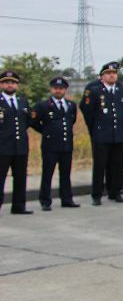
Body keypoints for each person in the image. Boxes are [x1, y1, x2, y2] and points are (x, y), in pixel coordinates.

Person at [81, 61, 123, 204]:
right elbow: (87, 111)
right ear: (102, 76)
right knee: (100, 165)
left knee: (118, 164)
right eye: (108, 74)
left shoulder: (121, 90)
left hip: (118, 134)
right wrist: (96, 128)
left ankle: (115, 192)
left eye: (114, 73)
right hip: (101, 134)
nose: (112, 76)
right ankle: (97, 195)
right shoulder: (95, 90)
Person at [30, 76, 80, 210]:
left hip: (66, 145)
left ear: (65, 90)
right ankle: (45, 200)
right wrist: (46, 132)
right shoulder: (43, 105)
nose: (58, 91)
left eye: (61, 88)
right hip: (50, 146)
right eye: (56, 88)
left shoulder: (71, 105)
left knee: (65, 174)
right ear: (51, 89)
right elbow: (34, 122)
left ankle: (67, 199)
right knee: (47, 174)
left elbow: (72, 121)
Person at [0, 70, 33, 215]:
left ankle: (19, 206)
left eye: (12, 82)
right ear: (1, 84)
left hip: (20, 147)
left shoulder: (23, 102)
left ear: (17, 85)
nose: (10, 85)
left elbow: (27, 122)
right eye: (6, 82)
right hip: (2, 147)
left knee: (20, 178)